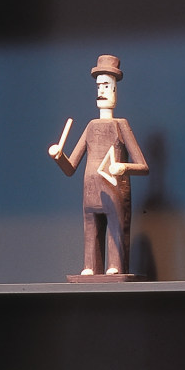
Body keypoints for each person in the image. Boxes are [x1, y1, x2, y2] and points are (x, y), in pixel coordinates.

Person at [45, 55, 147, 281]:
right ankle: (90, 265)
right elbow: (70, 167)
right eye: (99, 86)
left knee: (116, 229)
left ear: (115, 90)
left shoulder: (121, 125)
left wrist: (123, 167)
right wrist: (59, 156)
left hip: (114, 191)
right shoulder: (91, 126)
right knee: (90, 229)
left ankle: (115, 265)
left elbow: (142, 165)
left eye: (106, 86)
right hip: (90, 192)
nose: (101, 91)